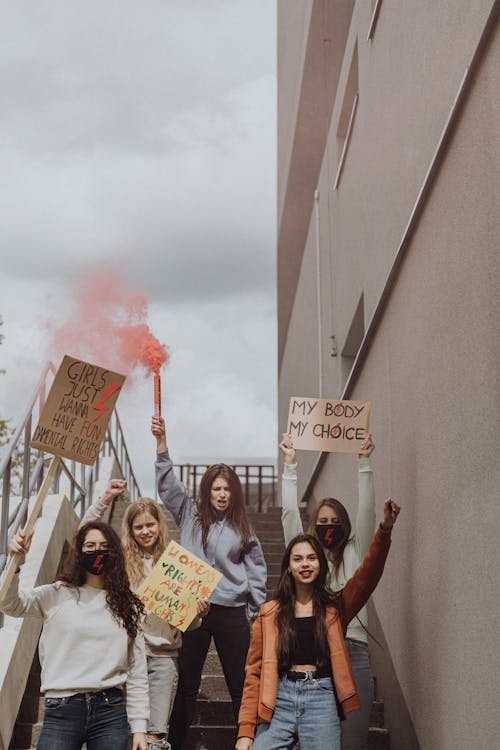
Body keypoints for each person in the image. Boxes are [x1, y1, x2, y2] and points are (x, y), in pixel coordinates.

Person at [236, 498, 400, 750]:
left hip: (321, 699)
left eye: (311, 558)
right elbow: (253, 674)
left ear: (319, 565)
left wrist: (384, 530)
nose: (305, 564)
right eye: (298, 559)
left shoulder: (335, 608)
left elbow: (367, 576)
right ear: (289, 567)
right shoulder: (269, 614)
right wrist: (246, 732)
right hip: (280, 699)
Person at [151, 415, 267, 750]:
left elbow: (256, 568)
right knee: (186, 683)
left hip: (231, 612)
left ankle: (251, 742)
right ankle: (174, 742)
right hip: (193, 609)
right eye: (216, 488)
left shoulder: (243, 527)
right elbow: (168, 486)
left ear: (234, 492)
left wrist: (257, 610)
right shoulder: (189, 512)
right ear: (207, 490)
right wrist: (162, 445)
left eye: (227, 488)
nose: (222, 493)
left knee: (240, 682)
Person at [82, 482, 210, 750]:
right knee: (125, 735)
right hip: (126, 658)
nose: (145, 531)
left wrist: (198, 614)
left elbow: (188, 623)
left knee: (154, 737)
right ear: (130, 530)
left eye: (150, 525)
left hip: (164, 658)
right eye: (138, 527)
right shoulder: (118, 562)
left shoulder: (177, 563)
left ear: (159, 525)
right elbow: (83, 540)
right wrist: (102, 501)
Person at [0, 520, 149, 750]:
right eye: (90, 545)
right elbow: (10, 604)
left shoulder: (128, 605)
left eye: (103, 545)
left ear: (114, 552)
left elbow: (138, 670)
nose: (97, 551)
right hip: (61, 710)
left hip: (110, 711)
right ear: (79, 551)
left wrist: (139, 728)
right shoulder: (56, 594)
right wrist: (15, 562)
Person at [279, 432, 376, 750]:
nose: (328, 525)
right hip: (316, 651)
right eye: (322, 520)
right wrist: (290, 467)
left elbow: (368, 514)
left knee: (353, 740)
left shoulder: (356, 550)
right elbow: (290, 516)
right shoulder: (308, 557)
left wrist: (364, 462)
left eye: (335, 520)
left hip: (355, 649)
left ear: (345, 524)